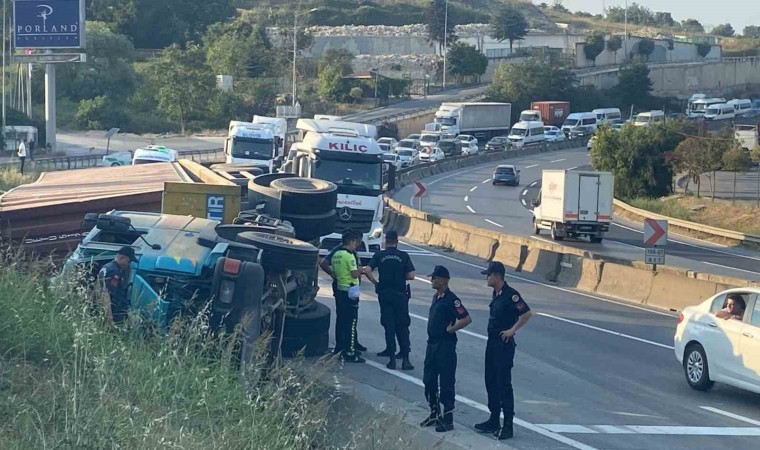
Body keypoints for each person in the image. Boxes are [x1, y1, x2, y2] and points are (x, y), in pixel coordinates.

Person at [474, 261, 533, 440]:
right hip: (492, 344)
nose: (487, 278)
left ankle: (508, 425)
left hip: (503, 345)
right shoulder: (496, 294)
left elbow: (526, 314)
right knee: (490, 380)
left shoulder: (511, 295)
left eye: (489, 275)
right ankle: (493, 418)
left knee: (503, 384)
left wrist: (512, 330)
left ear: (497, 276)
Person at [420, 265, 472, 433]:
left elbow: (466, 318)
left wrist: (451, 329)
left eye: (434, 278)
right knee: (429, 379)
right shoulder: (437, 296)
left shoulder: (451, 299)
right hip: (432, 344)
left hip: (445, 345)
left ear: (443, 280)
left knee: (446, 382)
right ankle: (434, 412)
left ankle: (448, 418)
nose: (431, 280)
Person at [363, 230, 415, 370]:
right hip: (400, 295)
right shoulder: (403, 256)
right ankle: (406, 359)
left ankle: (391, 359)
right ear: (397, 241)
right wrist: (399, 276)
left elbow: (367, 270)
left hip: (385, 294)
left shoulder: (380, 255)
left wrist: (376, 283)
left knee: (389, 326)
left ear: (386, 241)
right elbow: (411, 276)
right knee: (402, 326)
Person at [319, 230, 368, 355]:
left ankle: (346, 345)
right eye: (357, 242)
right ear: (352, 241)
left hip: (343, 287)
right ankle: (349, 349)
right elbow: (353, 272)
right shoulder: (346, 253)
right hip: (349, 289)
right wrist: (362, 270)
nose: (357, 244)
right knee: (350, 319)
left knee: (343, 318)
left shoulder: (340, 253)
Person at [97, 246, 135, 325]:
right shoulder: (114, 272)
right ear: (122, 258)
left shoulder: (107, 266)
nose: (129, 265)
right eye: (129, 261)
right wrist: (110, 320)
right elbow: (107, 296)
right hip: (114, 312)